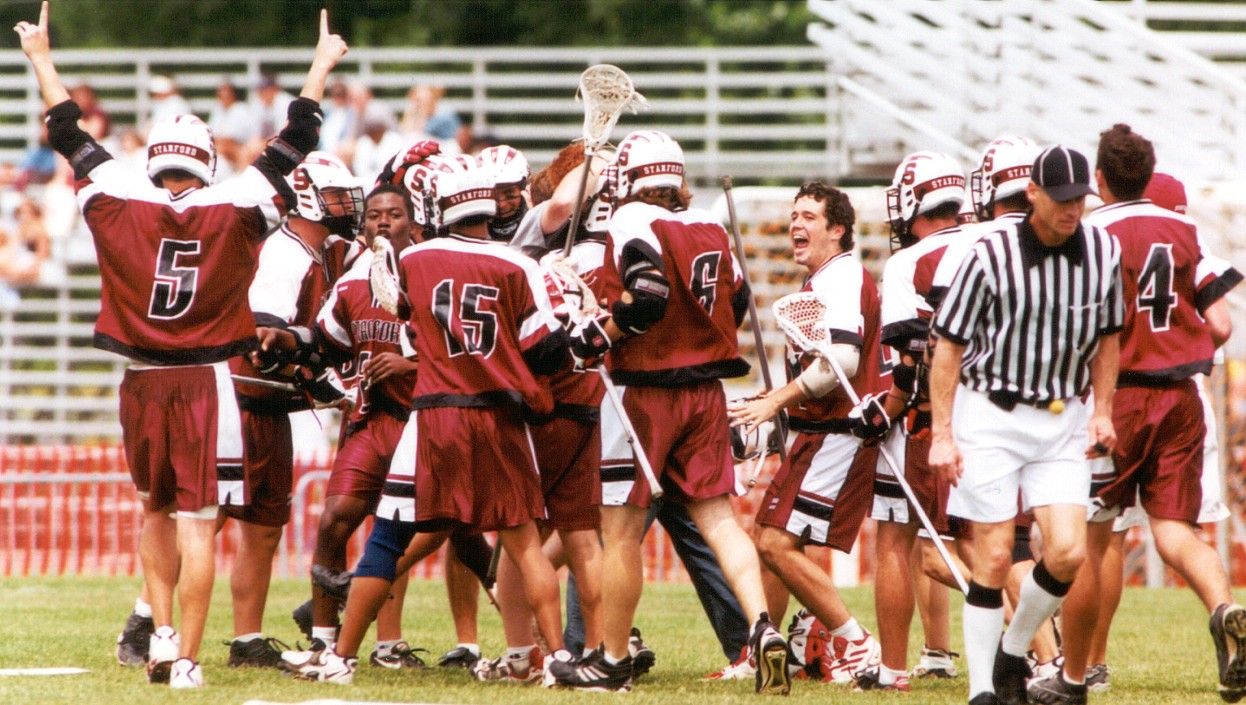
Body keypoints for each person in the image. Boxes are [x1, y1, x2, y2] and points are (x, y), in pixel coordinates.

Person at [14, 2, 347, 688]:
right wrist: (320, 65)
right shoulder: (237, 202)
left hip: (140, 379)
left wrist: (41, 57)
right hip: (206, 379)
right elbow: (296, 138)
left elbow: (66, 129)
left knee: (155, 511)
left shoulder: (115, 193)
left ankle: (161, 631)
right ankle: (186, 659)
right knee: (199, 524)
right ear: (205, 162)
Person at [288, 157, 572, 685]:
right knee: (524, 545)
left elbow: (402, 320)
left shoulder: (414, 259)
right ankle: (554, 658)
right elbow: (548, 351)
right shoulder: (518, 264)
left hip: (433, 417)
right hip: (498, 416)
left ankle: (341, 658)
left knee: (386, 541)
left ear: (440, 209)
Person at [550, 130, 789, 695]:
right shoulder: (709, 223)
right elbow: (734, 300)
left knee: (620, 532)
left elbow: (649, 295)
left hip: (643, 391)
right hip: (705, 392)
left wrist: (599, 333)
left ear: (631, 178)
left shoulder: (632, 218)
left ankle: (612, 660)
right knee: (720, 521)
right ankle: (761, 628)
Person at [1028, 126, 1246, 705]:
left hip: (1115, 397)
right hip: (1181, 397)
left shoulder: (1091, 233)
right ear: (1149, 176)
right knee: (1175, 531)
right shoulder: (1183, 228)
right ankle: (1224, 609)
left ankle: (1076, 676)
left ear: (1098, 179)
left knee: (1094, 536)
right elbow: (1219, 322)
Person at [928, 144, 1123, 705]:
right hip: (990, 410)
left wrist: (1103, 411)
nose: (1072, 210)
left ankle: (1012, 652)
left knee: (1067, 551)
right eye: (1061, 199)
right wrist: (942, 433)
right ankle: (982, 692)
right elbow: (948, 346)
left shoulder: (1104, 251)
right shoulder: (990, 255)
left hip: (1062, 414)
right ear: (1033, 194)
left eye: (1080, 199)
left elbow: (1108, 338)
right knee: (992, 556)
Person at [728, 179, 883, 686]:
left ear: (837, 230)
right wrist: (778, 406)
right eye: (794, 216)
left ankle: (854, 642)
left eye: (809, 216)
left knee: (774, 542)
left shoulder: (840, 278)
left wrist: (776, 400)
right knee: (772, 539)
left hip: (838, 432)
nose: (796, 224)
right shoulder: (823, 280)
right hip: (818, 430)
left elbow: (841, 361)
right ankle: (763, 649)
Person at [221, 150, 364, 669]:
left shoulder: (324, 251)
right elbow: (263, 343)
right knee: (207, 519)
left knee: (264, 527)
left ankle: (246, 640)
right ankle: (151, 623)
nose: (347, 206)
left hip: (271, 404)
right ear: (308, 199)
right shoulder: (285, 255)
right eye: (337, 197)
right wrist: (320, 380)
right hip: (240, 398)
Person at [852, 150, 967, 692]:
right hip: (1001, 414)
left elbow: (913, 358)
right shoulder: (995, 241)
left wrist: (888, 409)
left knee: (900, 538)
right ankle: (1039, 653)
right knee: (998, 546)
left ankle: (892, 668)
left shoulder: (910, 262)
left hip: (932, 420)